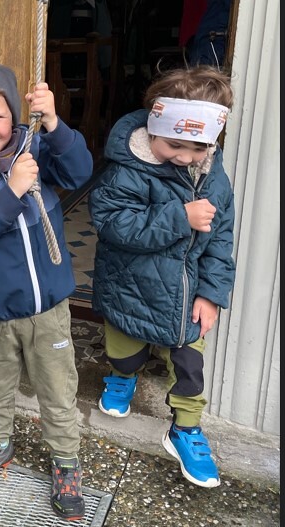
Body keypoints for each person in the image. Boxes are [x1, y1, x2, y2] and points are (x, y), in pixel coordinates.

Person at [0, 63, 93, 520]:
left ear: (14, 117)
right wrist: (12, 189)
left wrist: (55, 123)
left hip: (48, 308)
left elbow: (80, 171)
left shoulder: (36, 148)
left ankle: (66, 461)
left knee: (58, 389)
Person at [88, 65, 236, 488]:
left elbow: (221, 237)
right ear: (154, 127)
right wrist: (179, 217)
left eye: (199, 147)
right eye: (175, 144)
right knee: (125, 346)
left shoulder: (213, 176)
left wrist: (211, 293)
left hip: (188, 293)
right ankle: (123, 377)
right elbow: (111, 222)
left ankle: (185, 428)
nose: (186, 157)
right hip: (131, 285)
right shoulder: (128, 168)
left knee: (190, 365)